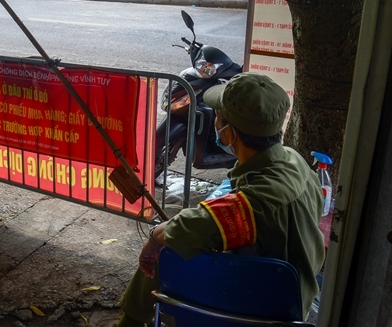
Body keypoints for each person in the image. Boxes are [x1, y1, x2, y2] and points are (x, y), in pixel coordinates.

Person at [117, 72, 325, 327]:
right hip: (294, 297)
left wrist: (154, 239)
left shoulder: (253, 204)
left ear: (229, 134)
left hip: (255, 304)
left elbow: (185, 228)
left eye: (218, 116)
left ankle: (130, 322)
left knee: (170, 246)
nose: (215, 122)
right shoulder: (295, 160)